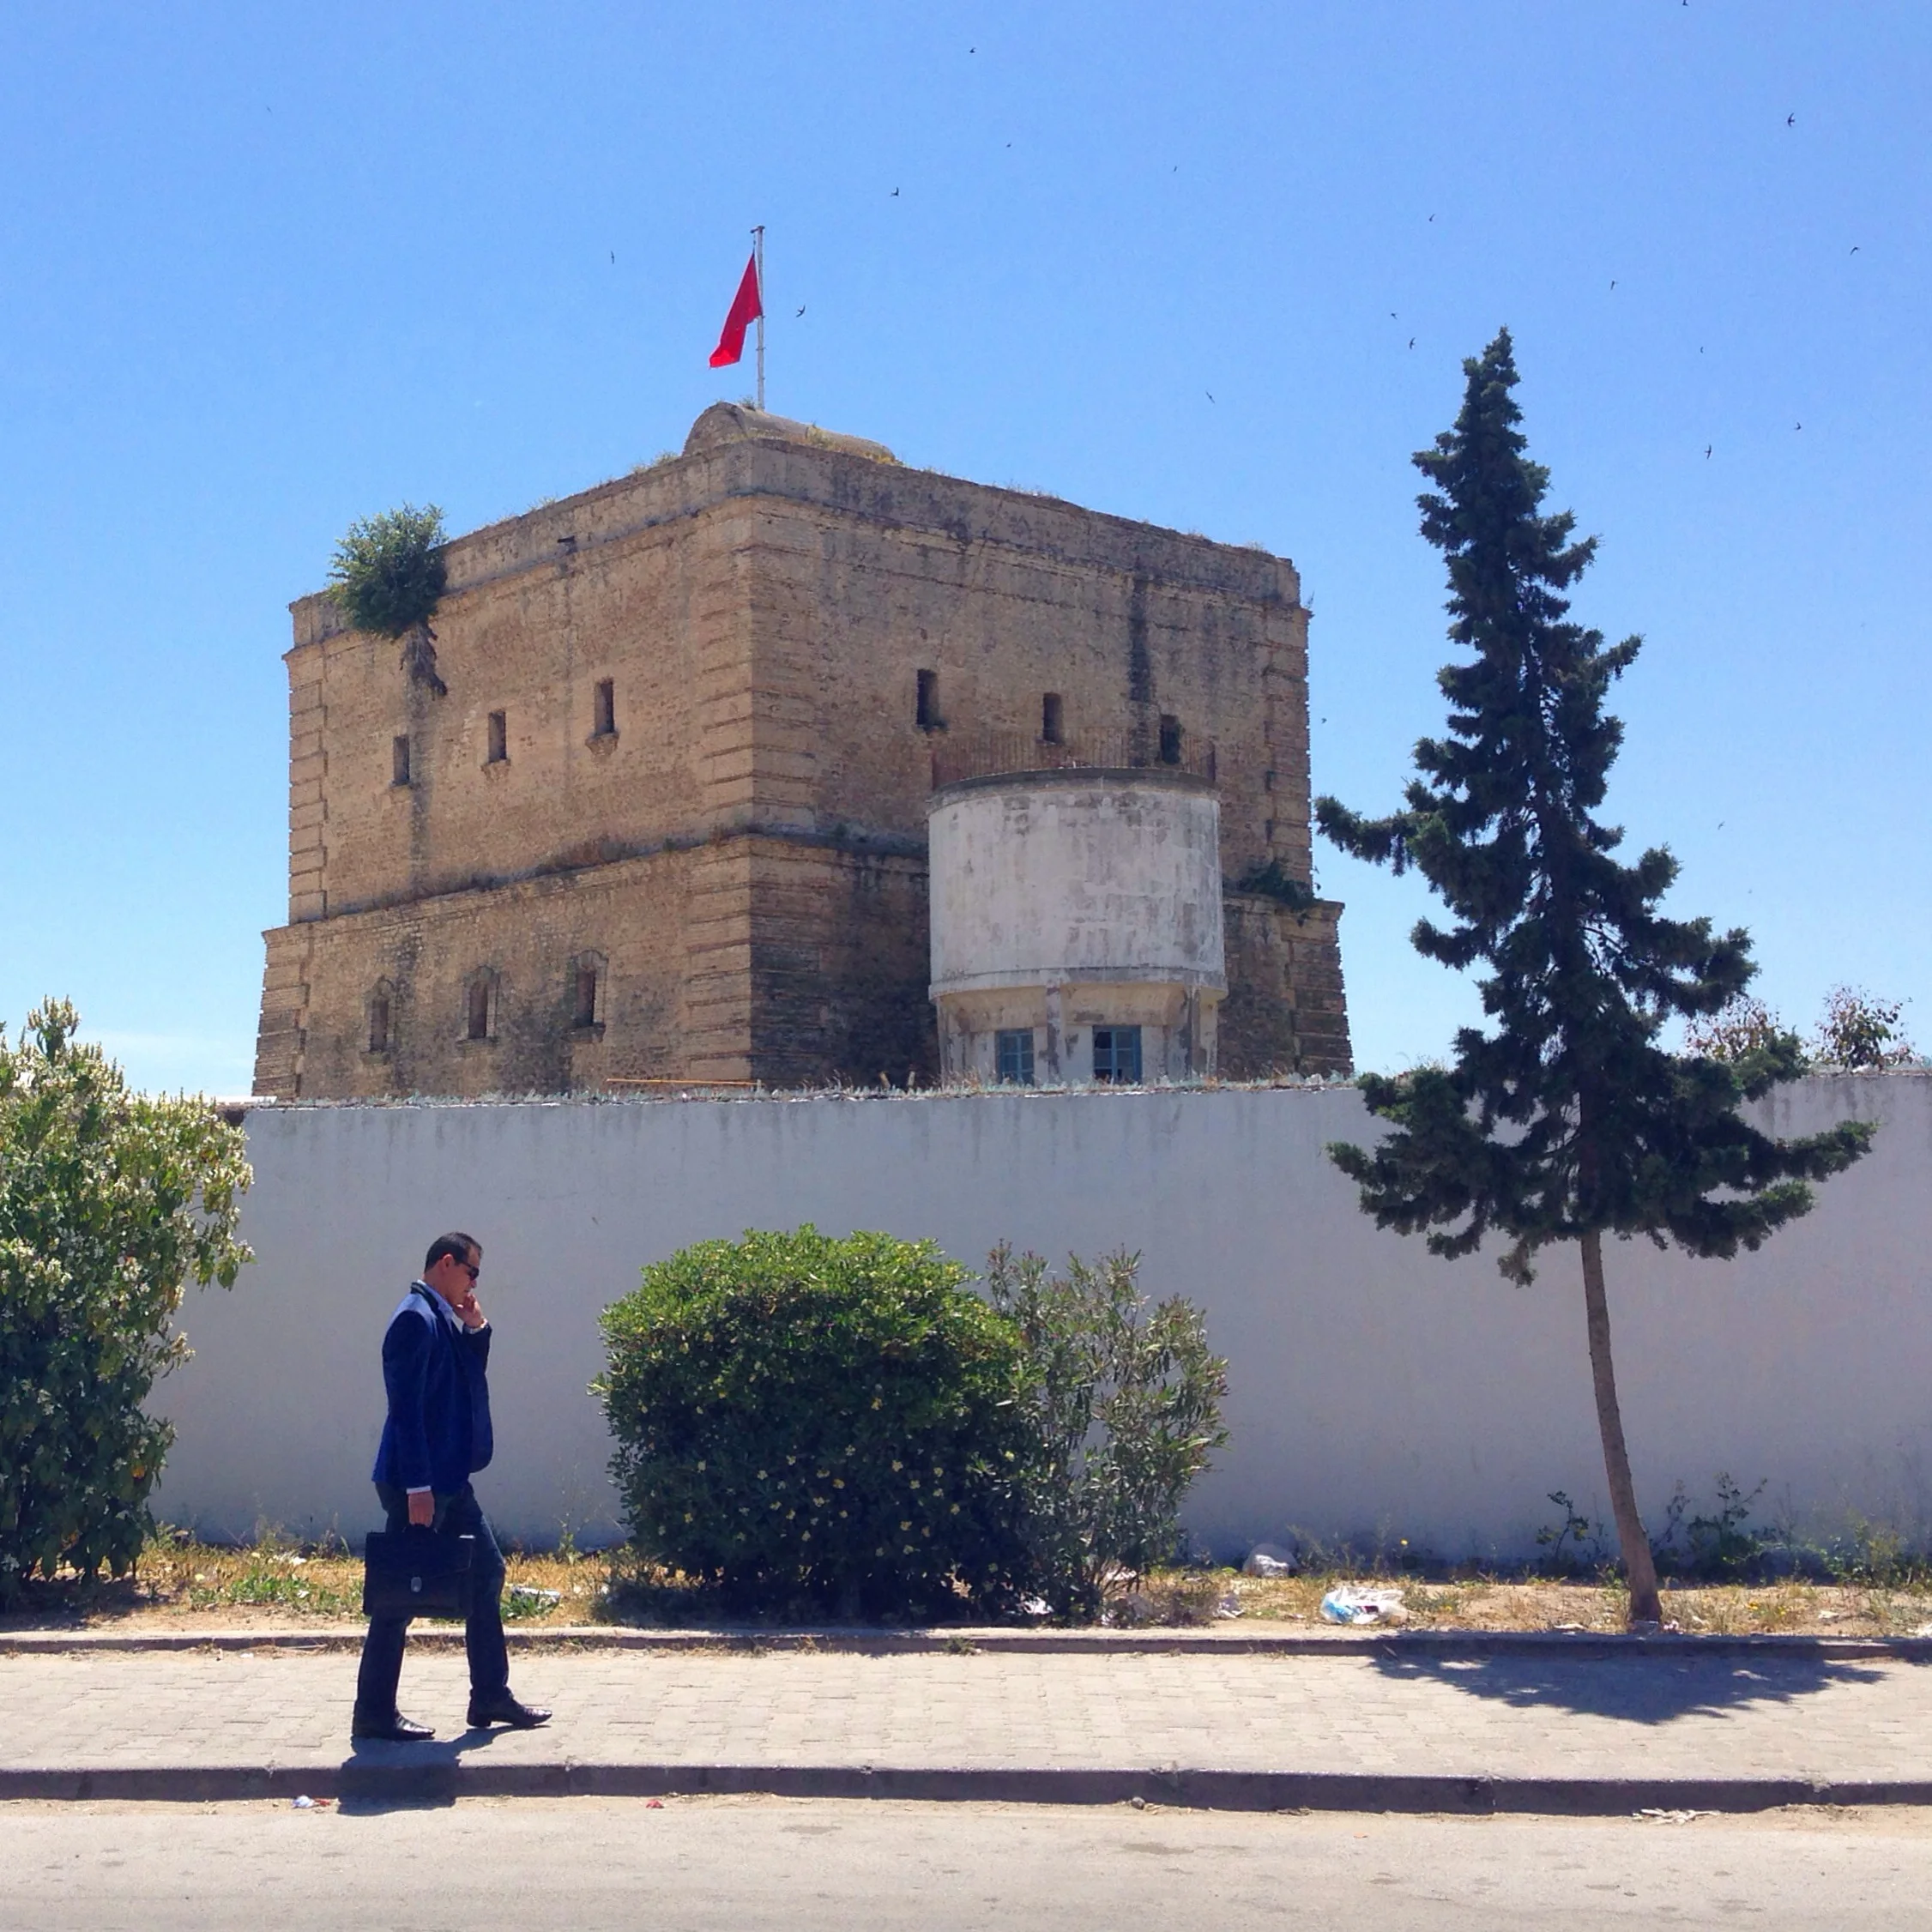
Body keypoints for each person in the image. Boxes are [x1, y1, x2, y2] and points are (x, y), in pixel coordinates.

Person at [352, 1231, 551, 1742]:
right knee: (399, 1593)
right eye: (471, 1271)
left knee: (486, 1573)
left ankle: (490, 1695)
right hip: (419, 1482)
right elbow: (406, 1411)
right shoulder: (414, 1319)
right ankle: (373, 1712)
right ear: (447, 1263)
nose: (474, 1283)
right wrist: (418, 1486)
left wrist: (476, 1328)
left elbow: (462, 1384)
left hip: (449, 1480)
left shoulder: (440, 1317)